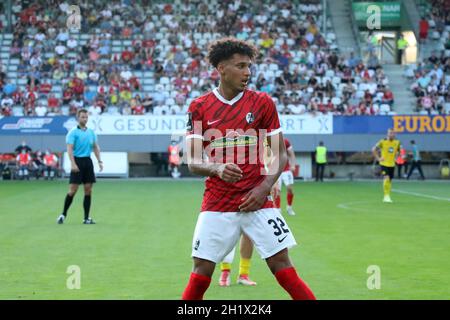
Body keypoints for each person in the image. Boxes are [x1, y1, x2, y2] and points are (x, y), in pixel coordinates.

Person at [181, 37, 315, 300]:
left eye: (249, 66)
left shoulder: (262, 102)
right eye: (240, 66)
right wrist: (217, 168)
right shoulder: (199, 107)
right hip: (217, 202)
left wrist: (264, 187)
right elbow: (193, 162)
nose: (247, 72)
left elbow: (279, 154)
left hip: (258, 201)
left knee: (283, 266)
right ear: (221, 68)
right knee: (201, 270)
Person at [57, 109, 103, 225]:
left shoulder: (91, 132)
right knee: (73, 190)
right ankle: (63, 214)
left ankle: (86, 218)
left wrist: (99, 161)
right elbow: (69, 149)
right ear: (78, 118)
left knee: (88, 190)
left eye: (86, 117)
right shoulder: (72, 132)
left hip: (87, 162)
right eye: (83, 117)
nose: (85, 119)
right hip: (77, 161)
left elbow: (96, 147)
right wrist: (73, 163)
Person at [372, 129, 401, 203]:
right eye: (390, 133)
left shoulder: (397, 142)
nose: (392, 134)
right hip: (384, 164)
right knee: (386, 178)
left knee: (390, 181)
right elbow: (373, 149)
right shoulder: (382, 141)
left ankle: (388, 195)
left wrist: (396, 158)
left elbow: (398, 151)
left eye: (393, 133)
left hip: (392, 164)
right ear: (387, 134)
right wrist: (378, 158)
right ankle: (386, 196)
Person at [272, 138, 297, 215]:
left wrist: (293, 165)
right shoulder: (270, 141)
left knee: (290, 189)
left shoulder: (285, 141)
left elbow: (291, 154)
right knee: (277, 191)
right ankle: (278, 210)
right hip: (276, 170)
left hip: (286, 170)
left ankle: (289, 208)